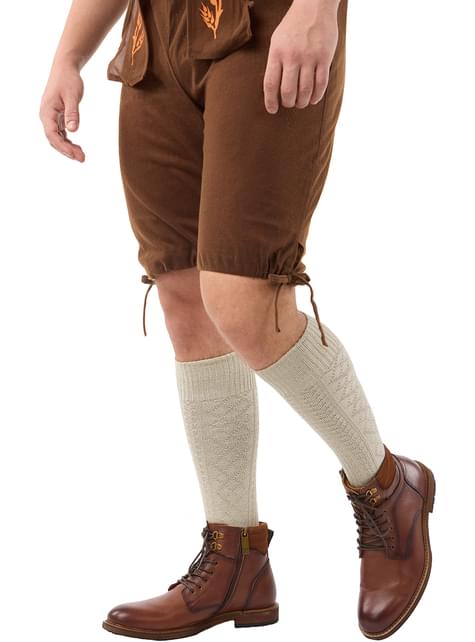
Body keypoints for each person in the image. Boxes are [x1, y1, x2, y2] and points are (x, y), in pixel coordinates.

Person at [39, 0, 435, 639]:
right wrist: (69, 54)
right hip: (152, 38)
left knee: (244, 297)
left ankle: (387, 485)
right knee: (183, 294)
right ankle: (237, 559)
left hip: (271, 22)